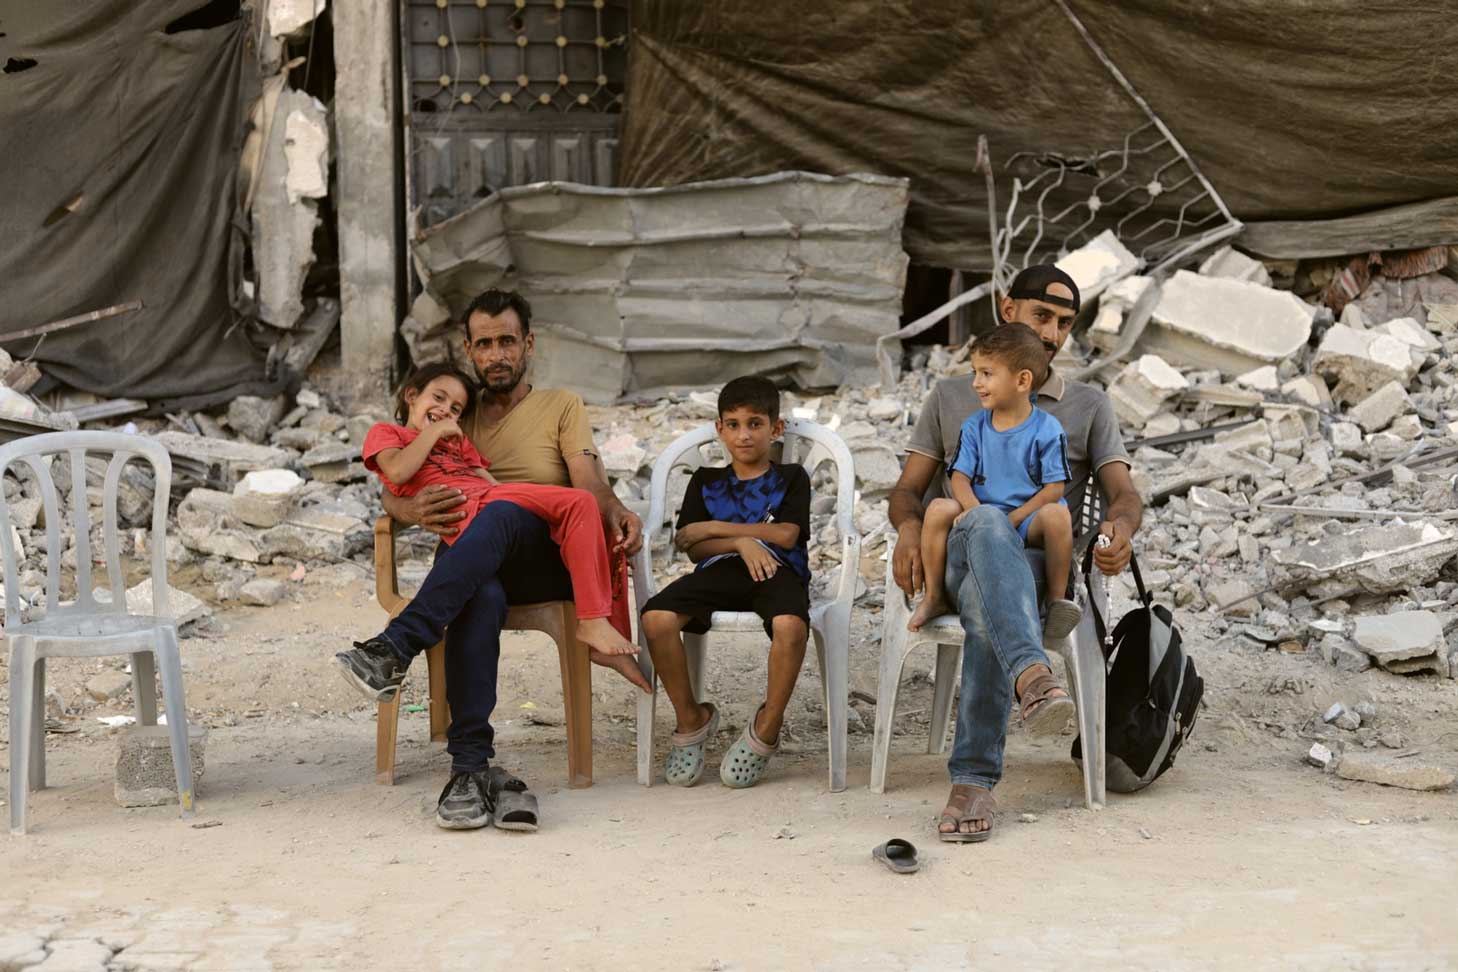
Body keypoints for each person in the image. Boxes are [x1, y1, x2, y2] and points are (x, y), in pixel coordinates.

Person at [376, 289, 649, 830]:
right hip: (473, 562)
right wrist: (407, 508)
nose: (496, 355)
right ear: (468, 349)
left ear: (528, 344)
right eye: (484, 344)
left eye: (507, 341)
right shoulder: (455, 408)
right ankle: (469, 766)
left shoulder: (561, 405)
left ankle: (397, 643)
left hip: (543, 557)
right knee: (479, 590)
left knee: (501, 510)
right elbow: (395, 476)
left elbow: (587, 481)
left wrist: (616, 509)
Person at [887, 265, 1142, 843]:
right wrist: (908, 529)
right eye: (1042, 316)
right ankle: (1031, 677)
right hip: (956, 557)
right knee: (983, 526)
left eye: (1065, 324)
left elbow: (1124, 494)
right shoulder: (955, 395)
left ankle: (972, 780)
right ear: (1008, 310)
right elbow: (907, 489)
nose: (1053, 334)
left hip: (1038, 568)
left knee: (991, 598)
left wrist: (1120, 529)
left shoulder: (1088, 405)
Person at [335, 362, 637, 711]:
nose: (446, 411)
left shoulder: (471, 439)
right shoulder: (388, 433)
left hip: (501, 518)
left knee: (576, 505)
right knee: (571, 507)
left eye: (455, 409)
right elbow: (397, 473)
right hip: (472, 520)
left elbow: (489, 482)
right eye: (438, 398)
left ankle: (393, 648)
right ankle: (594, 621)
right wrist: (435, 433)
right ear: (411, 396)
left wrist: (517, 503)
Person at [639, 376, 812, 789]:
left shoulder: (792, 477)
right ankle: (691, 719)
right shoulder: (705, 481)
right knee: (656, 618)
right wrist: (738, 542)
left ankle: (767, 726)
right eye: (733, 424)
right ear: (720, 429)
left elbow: (787, 534)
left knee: (791, 626)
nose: (744, 435)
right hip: (718, 572)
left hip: (777, 571)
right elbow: (691, 546)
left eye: (755, 424)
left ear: (776, 428)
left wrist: (718, 528)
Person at [908, 323, 1081, 644]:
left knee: (1058, 515)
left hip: (1026, 520)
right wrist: (976, 512)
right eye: (975, 372)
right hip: (979, 517)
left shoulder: (1048, 429)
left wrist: (1013, 518)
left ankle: (1056, 602)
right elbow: (959, 477)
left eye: (987, 374)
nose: (976, 383)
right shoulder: (974, 426)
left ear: (1022, 380)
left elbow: (1054, 489)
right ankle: (934, 596)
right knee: (939, 508)